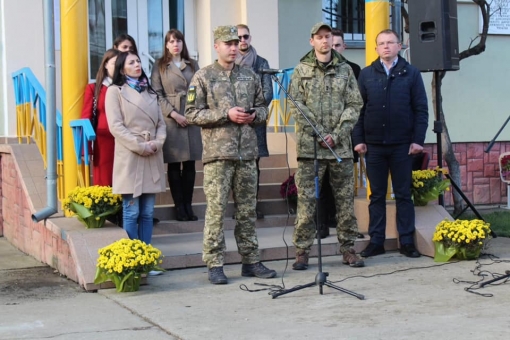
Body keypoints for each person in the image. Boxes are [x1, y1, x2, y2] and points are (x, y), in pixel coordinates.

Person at [185, 25, 277, 284]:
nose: (234, 47)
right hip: (218, 155)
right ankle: (215, 263)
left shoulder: (249, 75)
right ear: (216, 46)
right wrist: (226, 114)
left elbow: (263, 108)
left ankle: (251, 260)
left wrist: (253, 115)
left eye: (236, 43)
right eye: (228, 43)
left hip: (247, 153)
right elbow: (192, 113)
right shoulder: (204, 77)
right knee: (216, 211)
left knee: (247, 210)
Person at [289, 22, 364, 271]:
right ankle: (302, 251)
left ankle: (348, 249)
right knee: (307, 202)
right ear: (312, 41)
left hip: (339, 147)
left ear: (333, 40)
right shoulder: (301, 70)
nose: (324, 41)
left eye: (327, 36)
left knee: (344, 201)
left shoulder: (345, 70)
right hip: (310, 148)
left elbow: (354, 104)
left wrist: (337, 134)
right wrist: (320, 133)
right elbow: (296, 105)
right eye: (319, 37)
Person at [352, 29, 429, 259]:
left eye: (390, 42)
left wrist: (417, 140)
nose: (386, 46)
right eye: (381, 43)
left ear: (399, 45)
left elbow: (421, 110)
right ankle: (376, 241)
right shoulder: (366, 75)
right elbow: (358, 111)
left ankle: (406, 241)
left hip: (403, 146)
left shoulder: (411, 73)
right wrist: (358, 140)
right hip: (373, 146)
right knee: (376, 195)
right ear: (376, 48)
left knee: (403, 194)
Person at [105, 51, 166, 259]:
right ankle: (131, 258)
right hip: (130, 155)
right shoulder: (115, 91)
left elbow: (161, 124)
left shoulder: (150, 92)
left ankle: (147, 258)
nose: (137, 64)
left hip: (152, 154)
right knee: (131, 212)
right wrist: (140, 146)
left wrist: (156, 144)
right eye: (132, 62)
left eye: (138, 61)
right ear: (122, 68)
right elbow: (116, 126)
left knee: (148, 212)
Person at [151, 29, 202, 222]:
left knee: (190, 164)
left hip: (190, 116)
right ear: (166, 45)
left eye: (178, 40)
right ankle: (179, 207)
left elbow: (198, 88)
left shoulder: (192, 64)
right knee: (174, 164)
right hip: (170, 119)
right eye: (171, 41)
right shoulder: (160, 65)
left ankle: (188, 206)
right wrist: (173, 113)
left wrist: (189, 112)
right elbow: (156, 92)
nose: (175, 44)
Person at [318, 28, 362, 239]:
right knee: (323, 182)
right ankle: (323, 223)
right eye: (330, 44)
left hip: (344, 136)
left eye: (337, 45)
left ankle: (344, 225)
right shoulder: (314, 69)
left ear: (344, 46)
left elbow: (356, 104)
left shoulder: (353, 69)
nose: (333, 48)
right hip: (320, 137)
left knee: (344, 185)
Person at [235, 24, 273, 220]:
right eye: (239, 37)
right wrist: (237, 112)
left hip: (254, 122)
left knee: (253, 167)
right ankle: (239, 208)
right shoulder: (229, 62)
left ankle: (253, 205)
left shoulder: (262, 63)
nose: (242, 40)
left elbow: (268, 92)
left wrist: (251, 111)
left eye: (245, 37)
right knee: (236, 166)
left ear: (251, 38)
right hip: (234, 123)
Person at [81, 49, 119, 186]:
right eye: (115, 63)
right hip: (104, 141)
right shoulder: (94, 88)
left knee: (124, 183)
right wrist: (86, 149)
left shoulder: (128, 87)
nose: (118, 67)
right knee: (104, 182)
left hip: (126, 139)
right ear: (105, 65)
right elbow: (86, 117)